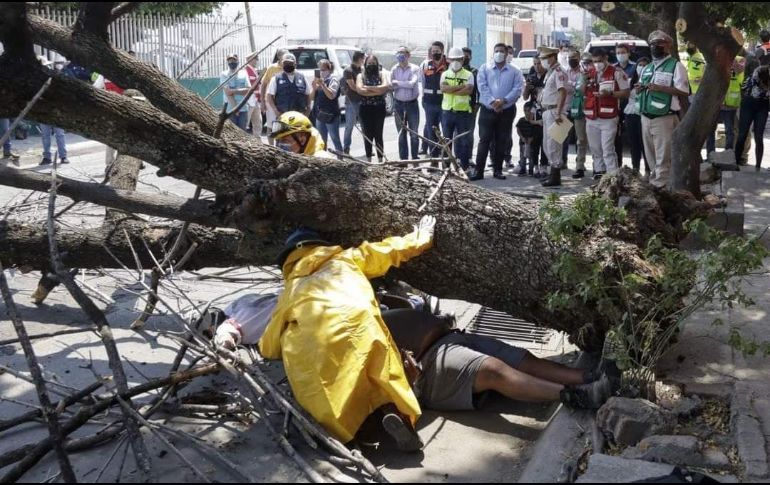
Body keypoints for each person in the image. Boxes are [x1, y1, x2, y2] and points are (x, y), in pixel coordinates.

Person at [259, 216, 438, 449]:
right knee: (382, 379)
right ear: (320, 245)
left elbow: (269, 346)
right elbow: (389, 250)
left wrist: (268, 344)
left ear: (290, 259)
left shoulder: (291, 290)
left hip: (318, 348)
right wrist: (422, 237)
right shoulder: (346, 259)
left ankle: (354, 436)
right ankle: (395, 415)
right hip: (361, 328)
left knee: (331, 397)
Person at [637, 31, 689, 189]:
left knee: (663, 156)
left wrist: (661, 88)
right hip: (646, 117)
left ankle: (661, 187)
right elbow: (642, 86)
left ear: (669, 46)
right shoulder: (648, 67)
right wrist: (640, 89)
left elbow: (684, 91)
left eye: (659, 43)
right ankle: (655, 183)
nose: (655, 47)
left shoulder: (676, 66)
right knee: (651, 155)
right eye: (652, 44)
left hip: (664, 118)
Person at [470, 43, 525, 181]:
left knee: (502, 141)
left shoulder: (515, 70)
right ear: (493, 52)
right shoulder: (485, 68)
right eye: (496, 51)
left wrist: (504, 101)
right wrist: (493, 102)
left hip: (506, 110)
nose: (499, 53)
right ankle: (479, 171)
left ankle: (498, 170)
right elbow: (482, 87)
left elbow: (518, 88)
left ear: (507, 54)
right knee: (484, 140)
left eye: (501, 51)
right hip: (487, 110)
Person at [584, 48, 630, 180]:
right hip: (591, 116)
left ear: (606, 59)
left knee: (607, 149)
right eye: (594, 61)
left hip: (609, 117)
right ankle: (599, 175)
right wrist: (583, 81)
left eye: (599, 61)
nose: (597, 64)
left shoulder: (616, 72)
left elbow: (626, 92)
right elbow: (581, 92)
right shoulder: (589, 73)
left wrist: (610, 93)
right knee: (595, 149)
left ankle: (613, 178)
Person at [439, 47, 475, 171]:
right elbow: (443, 89)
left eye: (458, 59)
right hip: (447, 112)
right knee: (446, 141)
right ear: (448, 60)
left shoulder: (469, 74)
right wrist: (460, 87)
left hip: (463, 112)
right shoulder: (445, 74)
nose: (455, 62)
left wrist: (452, 89)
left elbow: (468, 91)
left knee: (464, 141)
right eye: (453, 59)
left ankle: (464, 167)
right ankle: (446, 167)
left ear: (462, 59)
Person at [539, 46, 569, 188]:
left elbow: (562, 92)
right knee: (547, 144)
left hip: (554, 112)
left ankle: (555, 176)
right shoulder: (550, 72)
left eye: (544, 58)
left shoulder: (558, 71)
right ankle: (552, 174)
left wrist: (558, 112)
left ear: (552, 57)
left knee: (554, 144)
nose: (542, 61)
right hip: (547, 111)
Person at [735, 50, 770, 171]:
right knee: (742, 134)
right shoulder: (758, 72)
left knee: (759, 136)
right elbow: (755, 92)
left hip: (762, 106)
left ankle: (758, 166)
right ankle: (736, 163)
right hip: (749, 103)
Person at [707, 55, 744, 155]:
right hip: (715, 103)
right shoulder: (716, 59)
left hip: (729, 104)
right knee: (710, 130)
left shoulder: (739, 60)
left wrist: (735, 65)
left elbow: (741, 77)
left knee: (729, 130)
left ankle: (728, 154)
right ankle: (710, 153)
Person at [356, 55, 390, 163]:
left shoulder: (381, 74)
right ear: (365, 64)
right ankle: (369, 160)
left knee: (378, 135)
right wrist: (377, 90)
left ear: (377, 63)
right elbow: (360, 90)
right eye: (369, 63)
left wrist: (368, 88)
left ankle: (380, 160)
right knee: (367, 135)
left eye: (373, 63)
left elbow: (385, 88)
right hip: (365, 108)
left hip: (379, 108)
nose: (371, 65)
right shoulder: (360, 76)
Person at [391, 46, 421, 160]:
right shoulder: (394, 69)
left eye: (402, 52)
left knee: (414, 134)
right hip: (398, 104)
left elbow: (412, 84)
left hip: (412, 104)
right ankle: (403, 160)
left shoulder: (415, 68)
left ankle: (415, 158)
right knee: (401, 134)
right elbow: (391, 85)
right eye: (398, 52)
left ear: (408, 55)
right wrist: (403, 83)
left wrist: (398, 82)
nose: (400, 55)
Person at [419, 42, 448, 158]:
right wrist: (423, 99)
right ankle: (434, 158)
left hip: (444, 102)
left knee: (446, 131)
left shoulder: (449, 65)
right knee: (431, 131)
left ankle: (446, 158)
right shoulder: (425, 65)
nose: (434, 53)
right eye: (433, 51)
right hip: (429, 102)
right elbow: (423, 83)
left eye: (437, 51)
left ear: (442, 51)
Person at [266, 53, 312, 125]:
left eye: (290, 63)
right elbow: (269, 96)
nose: (288, 65)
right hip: (283, 116)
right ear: (282, 64)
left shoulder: (302, 77)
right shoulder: (276, 78)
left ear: (295, 64)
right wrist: (275, 111)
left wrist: (308, 109)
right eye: (285, 63)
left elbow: (308, 94)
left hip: (299, 116)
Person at [561, 49, 587, 177]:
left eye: (574, 57)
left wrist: (570, 85)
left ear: (579, 57)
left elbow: (579, 88)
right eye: (570, 57)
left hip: (579, 109)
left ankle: (580, 165)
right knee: (560, 136)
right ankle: (561, 162)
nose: (572, 60)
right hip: (565, 108)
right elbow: (563, 87)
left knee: (580, 139)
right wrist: (572, 85)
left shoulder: (584, 72)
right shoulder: (565, 71)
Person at [625, 57, 651, 175]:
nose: (642, 67)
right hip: (631, 114)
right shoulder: (630, 80)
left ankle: (648, 170)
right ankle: (635, 169)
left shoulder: (651, 81)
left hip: (645, 114)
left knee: (645, 143)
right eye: (640, 65)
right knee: (633, 143)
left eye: (645, 65)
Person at [613, 43, 638, 166]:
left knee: (634, 140)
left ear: (628, 53)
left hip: (632, 107)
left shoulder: (635, 67)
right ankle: (617, 166)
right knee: (616, 138)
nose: (620, 55)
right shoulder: (613, 69)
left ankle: (635, 168)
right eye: (618, 53)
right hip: (615, 106)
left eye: (623, 52)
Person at [312, 59, 343, 154]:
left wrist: (323, 85)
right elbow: (311, 98)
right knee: (321, 141)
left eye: (323, 69)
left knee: (335, 139)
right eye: (319, 69)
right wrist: (314, 88)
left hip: (331, 115)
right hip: (320, 114)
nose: (321, 72)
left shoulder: (333, 80)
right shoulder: (319, 81)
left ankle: (341, 160)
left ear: (329, 69)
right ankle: (323, 160)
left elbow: (331, 96)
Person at [570, 53, 592, 179]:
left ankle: (598, 168)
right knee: (581, 140)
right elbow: (580, 90)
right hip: (580, 111)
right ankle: (579, 166)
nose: (587, 65)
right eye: (585, 63)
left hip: (595, 112)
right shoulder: (580, 76)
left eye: (589, 62)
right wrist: (584, 78)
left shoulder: (598, 75)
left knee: (595, 142)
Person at [260, 48, 288, 143]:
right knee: (271, 126)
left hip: (283, 102)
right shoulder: (272, 68)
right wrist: (262, 102)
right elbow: (263, 84)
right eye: (284, 56)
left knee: (281, 126)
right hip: (270, 101)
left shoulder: (288, 67)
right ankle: (271, 147)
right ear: (279, 57)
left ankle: (279, 147)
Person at [342, 51, 365, 155]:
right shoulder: (348, 70)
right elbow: (352, 86)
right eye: (363, 59)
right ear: (360, 59)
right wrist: (364, 91)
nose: (364, 61)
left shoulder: (362, 70)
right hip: (352, 101)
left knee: (365, 126)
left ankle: (368, 148)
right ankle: (346, 149)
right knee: (349, 126)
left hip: (363, 101)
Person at [219, 53, 251, 131]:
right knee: (232, 133)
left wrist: (233, 91)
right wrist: (235, 109)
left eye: (233, 60)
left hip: (243, 108)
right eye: (229, 61)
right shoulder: (224, 75)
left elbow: (248, 89)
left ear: (237, 61)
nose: (231, 62)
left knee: (243, 133)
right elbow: (228, 93)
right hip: (230, 110)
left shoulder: (243, 73)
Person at [462, 48, 481, 163]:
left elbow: (479, 90)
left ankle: (468, 158)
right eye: (463, 56)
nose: (465, 58)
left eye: (467, 56)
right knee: (458, 135)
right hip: (457, 108)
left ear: (470, 57)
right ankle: (458, 158)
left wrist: (477, 105)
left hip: (471, 107)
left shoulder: (475, 71)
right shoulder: (455, 71)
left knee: (469, 134)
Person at [244, 55, 263, 141]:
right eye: (255, 59)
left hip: (256, 101)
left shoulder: (254, 70)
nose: (256, 61)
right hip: (249, 101)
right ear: (249, 60)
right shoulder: (245, 71)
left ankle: (258, 142)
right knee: (246, 123)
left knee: (258, 122)